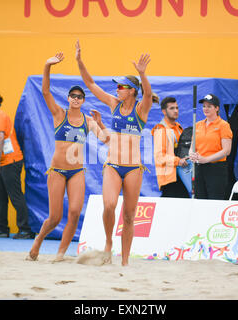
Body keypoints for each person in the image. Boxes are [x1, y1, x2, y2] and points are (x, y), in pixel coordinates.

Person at [76, 40, 158, 266]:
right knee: (109, 205)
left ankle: (125, 262)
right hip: (112, 164)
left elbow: (149, 95)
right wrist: (79, 62)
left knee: (130, 216)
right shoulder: (113, 104)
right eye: (117, 86)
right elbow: (91, 84)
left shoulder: (140, 109)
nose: (117, 89)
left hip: (133, 168)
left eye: (121, 86)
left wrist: (142, 74)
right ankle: (109, 244)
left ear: (132, 90)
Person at [27, 52, 109, 261]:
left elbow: (106, 139)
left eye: (79, 96)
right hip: (57, 170)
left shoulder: (88, 122)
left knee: (74, 213)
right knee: (54, 217)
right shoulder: (59, 114)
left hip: (76, 172)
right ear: (68, 98)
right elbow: (45, 91)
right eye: (73, 95)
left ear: (83, 100)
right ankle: (38, 240)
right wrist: (47, 66)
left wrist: (100, 123)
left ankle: (60, 254)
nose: (75, 98)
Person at [0, 91, 35, 239]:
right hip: (5, 162)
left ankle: (25, 229)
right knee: (0, 196)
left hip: (9, 162)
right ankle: (2, 227)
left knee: (15, 195)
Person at [188, 94, 232, 200]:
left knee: (215, 200)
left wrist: (206, 159)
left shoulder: (223, 125)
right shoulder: (198, 125)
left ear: (216, 108)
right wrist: (191, 155)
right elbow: (192, 146)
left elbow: (227, 150)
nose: (205, 109)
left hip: (216, 168)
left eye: (209, 106)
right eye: (204, 106)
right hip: (199, 167)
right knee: (199, 199)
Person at [151, 96, 190, 198]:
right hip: (169, 178)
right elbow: (159, 157)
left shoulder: (178, 127)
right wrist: (178, 161)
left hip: (181, 175)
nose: (176, 111)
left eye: (177, 108)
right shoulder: (161, 129)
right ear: (164, 111)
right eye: (172, 108)